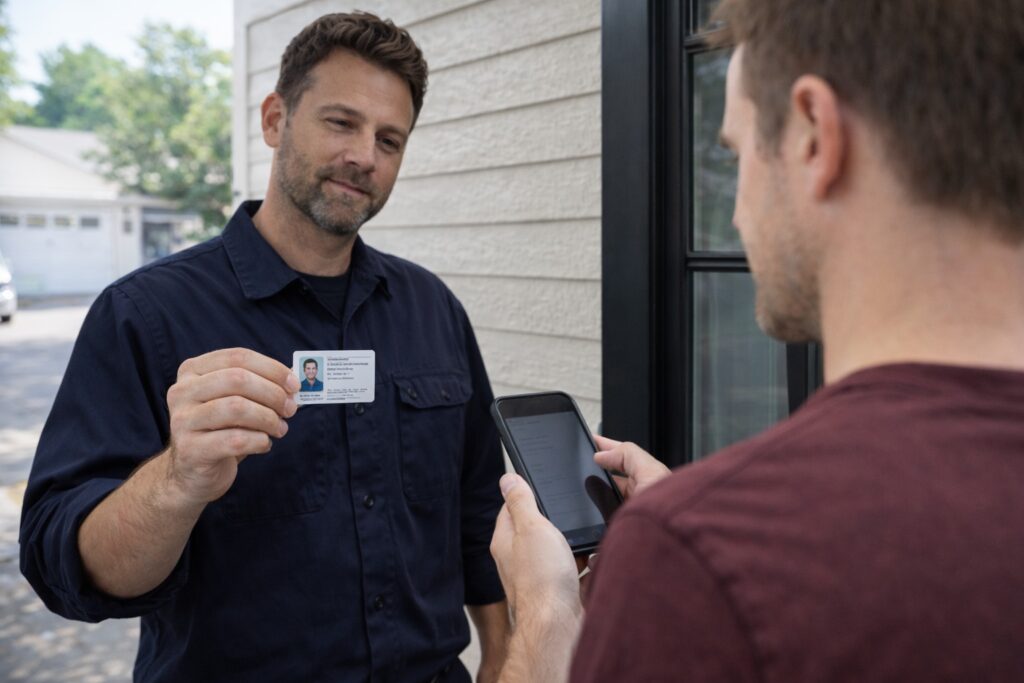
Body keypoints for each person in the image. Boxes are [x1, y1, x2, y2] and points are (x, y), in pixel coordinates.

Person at [490, 1, 1024, 681]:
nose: (738, 214)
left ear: (813, 134)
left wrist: (545, 614)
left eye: (737, 152)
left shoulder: (698, 561)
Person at [20, 12, 509, 682]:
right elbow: (63, 567)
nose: (364, 156)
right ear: (276, 119)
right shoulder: (145, 314)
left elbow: (480, 507)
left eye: (389, 139)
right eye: (341, 122)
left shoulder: (433, 310)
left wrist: (504, 652)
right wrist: (177, 480)